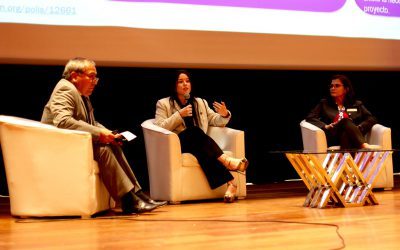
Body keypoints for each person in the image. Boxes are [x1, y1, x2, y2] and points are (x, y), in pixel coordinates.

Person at [41, 57, 167, 214]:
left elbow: (91, 122)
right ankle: (127, 201)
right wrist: (100, 134)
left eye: (96, 77)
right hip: (60, 146)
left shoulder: (81, 94)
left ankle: (137, 194)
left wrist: (110, 133)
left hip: (75, 143)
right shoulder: (65, 89)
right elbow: (63, 121)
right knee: (103, 149)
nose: (95, 81)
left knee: (112, 145)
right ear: (74, 76)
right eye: (91, 76)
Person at [154, 70, 248, 203]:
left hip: (198, 143)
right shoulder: (163, 104)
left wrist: (224, 114)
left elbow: (215, 120)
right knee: (194, 132)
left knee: (203, 151)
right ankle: (228, 162)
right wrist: (179, 115)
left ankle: (231, 184)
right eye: (180, 82)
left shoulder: (200, 102)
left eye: (187, 81)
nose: (185, 84)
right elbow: (159, 127)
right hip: (178, 144)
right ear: (173, 85)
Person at [305, 74, 378, 150]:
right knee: (345, 120)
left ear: (346, 89)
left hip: (351, 137)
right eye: (331, 86)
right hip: (333, 136)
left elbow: (371, 119)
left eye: (337, 86)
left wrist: (359, 127)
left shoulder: (356, 104)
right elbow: (310, 117)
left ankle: (347, 161)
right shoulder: (324, 104)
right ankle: (363, 144)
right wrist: (325, 126)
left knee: (346, 134)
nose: (333, 88)